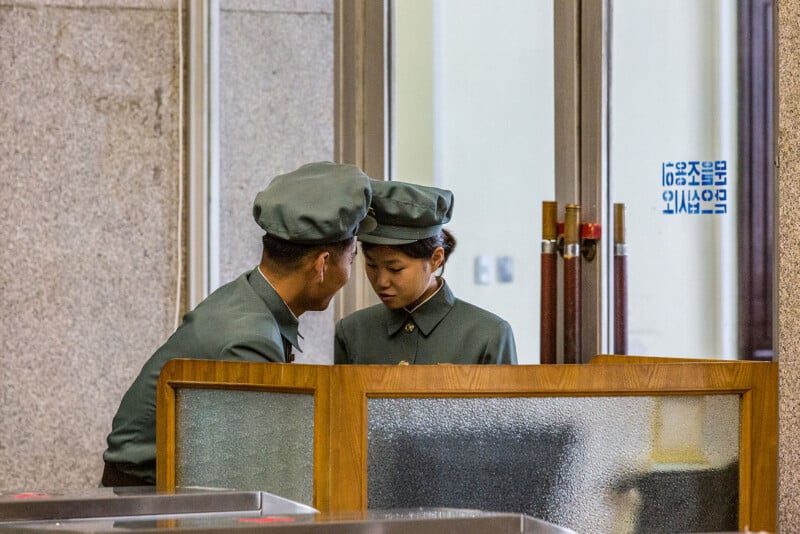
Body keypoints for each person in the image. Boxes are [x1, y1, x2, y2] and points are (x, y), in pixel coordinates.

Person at [102, 161, 376, 486]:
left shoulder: (248, 298)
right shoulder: (251, 338)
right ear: (323, 265)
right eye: (352, 257)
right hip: (150, 502)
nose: (351, 270)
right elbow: (254, 472)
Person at [334, 180, 517, 365]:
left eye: (395, 269)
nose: (381, 281)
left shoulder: (488, 336)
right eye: (372, 265)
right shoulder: (351, 333)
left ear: (436, 259)